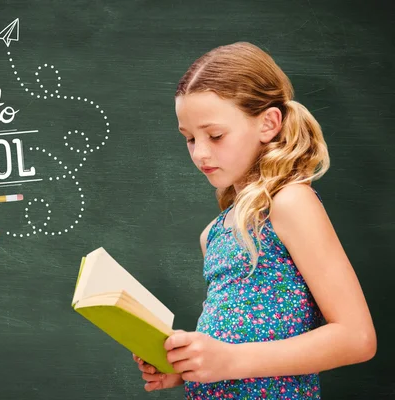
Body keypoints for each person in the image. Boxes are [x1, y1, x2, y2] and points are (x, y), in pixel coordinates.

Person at [133, 42, 377, 399]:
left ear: (268, 123)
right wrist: (190, 367)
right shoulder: (213, 234)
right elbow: (235, 341)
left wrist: (229, 360)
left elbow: (357, 337)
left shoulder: (292, 203)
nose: (200, 152)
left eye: (215, 135)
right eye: (189, 139)